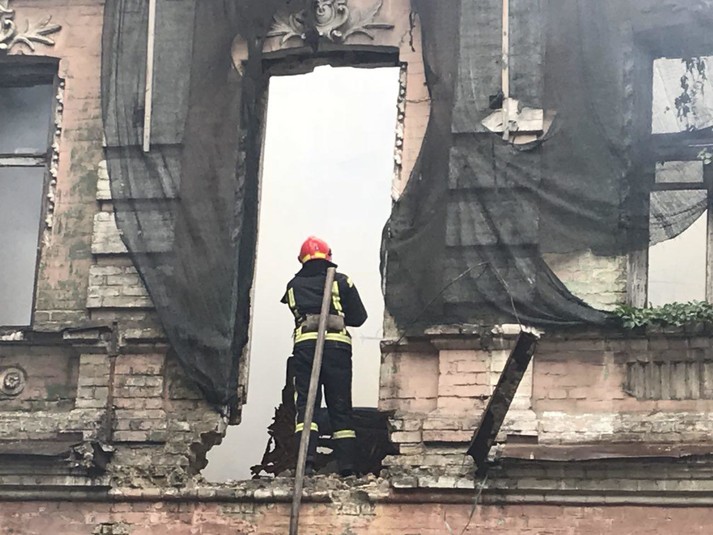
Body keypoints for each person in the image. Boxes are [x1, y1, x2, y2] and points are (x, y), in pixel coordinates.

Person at [281, 236, 367, 476]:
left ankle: (306, 461)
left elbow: (296, 312)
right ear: (329, 256)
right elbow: (359, 317)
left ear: (301, 259)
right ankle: (347, 466)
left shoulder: (293, 286)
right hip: (338, 348)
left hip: (305, 348)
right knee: (340, 404)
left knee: (307, 404)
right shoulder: (342, 281)